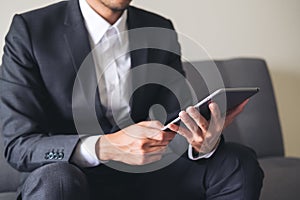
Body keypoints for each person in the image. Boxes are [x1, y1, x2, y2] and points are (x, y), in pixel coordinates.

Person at [0, 0, 264, 199]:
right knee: (57, 181)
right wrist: (104, 147)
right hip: (71, 176)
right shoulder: (30, 31)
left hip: (147, 173)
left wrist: (200, 141)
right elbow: (18, 145)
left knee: (236, 163)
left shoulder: (160, 28)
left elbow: (175, 115)